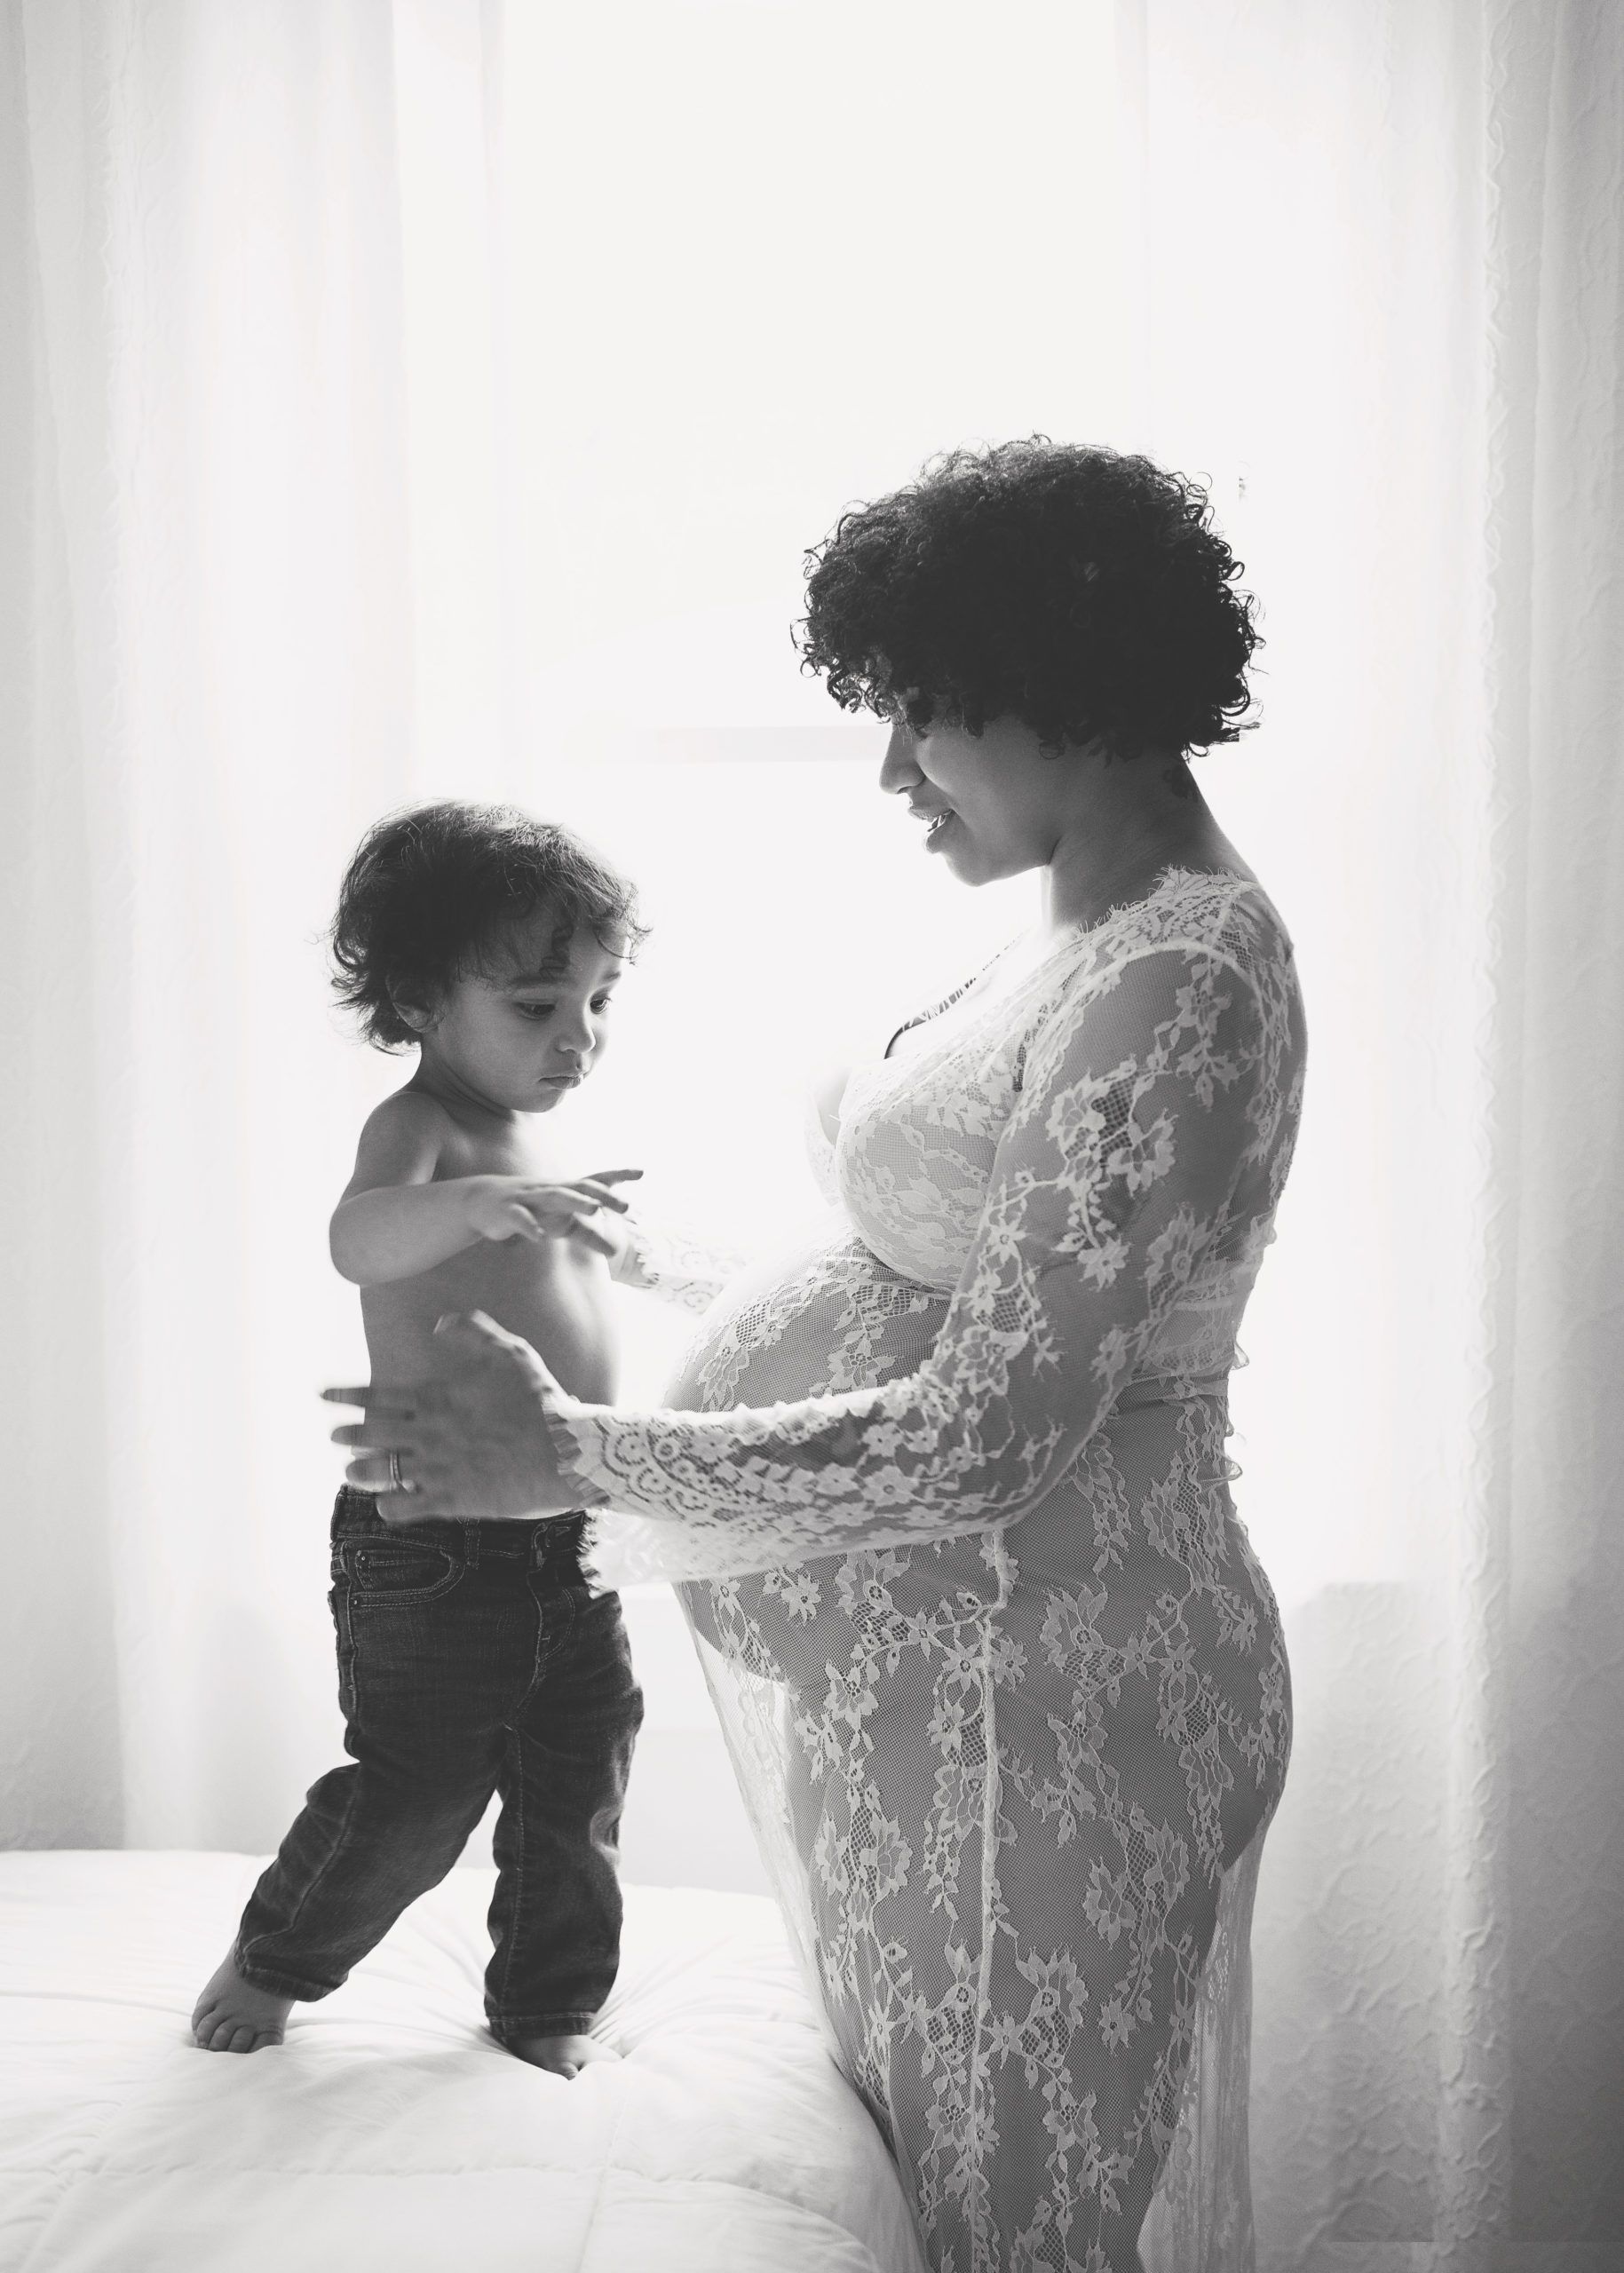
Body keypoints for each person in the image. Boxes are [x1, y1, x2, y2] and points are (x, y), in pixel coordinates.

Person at [330, 441, 1308, 2269]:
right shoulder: (1081, 932)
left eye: (917, 712)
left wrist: (578, 1452)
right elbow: (935, 1268)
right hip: (962, 1683)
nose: (887, 765)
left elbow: (992, 1430)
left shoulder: (1181, 978)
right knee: (933, 2209)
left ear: (1057, 690)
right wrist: (636, 1250)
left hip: (1058, 1699)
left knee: (1021, 2232)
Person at [192, 800, 654, 2077]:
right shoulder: (427, 1131)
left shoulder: (523, 1143)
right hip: (435, 1554)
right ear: (419, 995)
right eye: (536, 1005)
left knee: (579, 1785)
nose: (579, 1037)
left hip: (570, 1542)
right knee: (419, 1794)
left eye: (596, 1003)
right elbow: (359, 1239)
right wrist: (480, 1201)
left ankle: (548, 2000)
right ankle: (276, 1961)